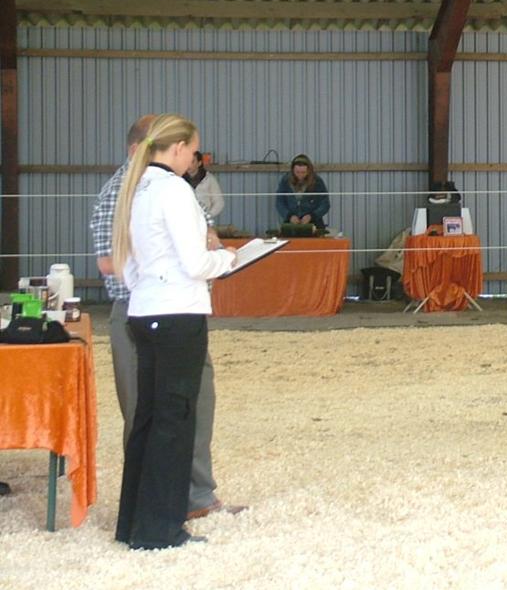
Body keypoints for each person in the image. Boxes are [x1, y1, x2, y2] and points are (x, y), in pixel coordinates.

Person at [91, 117, 243, 525]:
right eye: (193, 151)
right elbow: (114, 262)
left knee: (174, 409)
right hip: (156, 308)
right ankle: (159, 510)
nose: (195, 160)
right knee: (159, 412)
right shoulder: (147, 190)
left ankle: (177, 499)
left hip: (147, 305)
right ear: (170, 147)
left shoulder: (143, 189)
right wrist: (222, 259)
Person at [276, 154, 330, 229]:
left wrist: (312, 216)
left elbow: (325, 204)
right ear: (292, 170)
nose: (300, 175)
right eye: (297, 172)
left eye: (303, 172)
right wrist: (289, 216)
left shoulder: (317, 181)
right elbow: (279, 202)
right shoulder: (285, 180)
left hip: (314, 224)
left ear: (309, 171)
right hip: (290, 224)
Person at [184, 151, 224, 222]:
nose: (189, 165)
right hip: (184, 221)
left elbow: (219, 202)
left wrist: (208, 216)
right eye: (187, 161)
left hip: (204, 222)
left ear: (199, 163)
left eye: (192, 161)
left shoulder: (209, 179)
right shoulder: (179, 180)